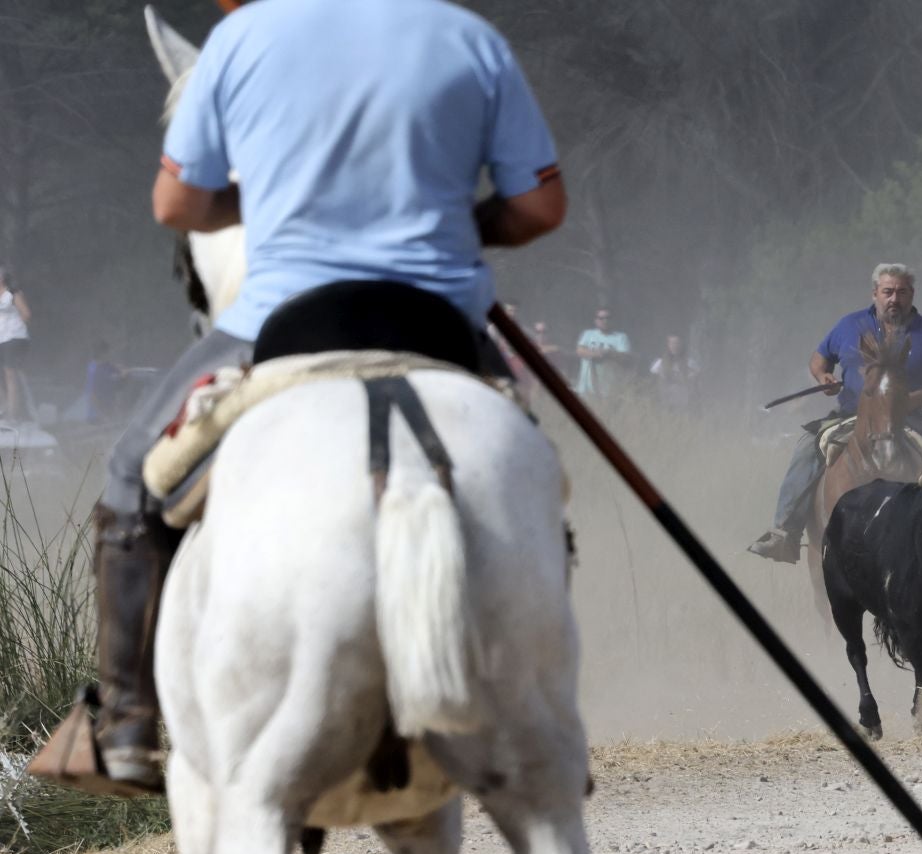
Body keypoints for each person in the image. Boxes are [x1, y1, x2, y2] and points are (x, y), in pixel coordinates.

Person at [71, 0, 566, 793]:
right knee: (527, 462)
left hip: (283, 319)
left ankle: (125, 723)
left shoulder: (242, 41)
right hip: (435, 315)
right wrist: (453, 225)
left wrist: (262, 199)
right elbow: (540, 206)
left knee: (132, 473)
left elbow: (177, 207)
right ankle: (540, 709)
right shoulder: (466, 36)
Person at [747, 263, 922, 564]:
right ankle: (784, 532)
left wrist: (912, 400)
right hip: (849, 414)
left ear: (912, 294)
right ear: (875, 293)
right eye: (887, 292)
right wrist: (824, 379)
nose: (894, 299)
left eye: (901, 292)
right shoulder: (849, 325)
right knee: (806, 448)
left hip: (909, 421)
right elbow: (819, 360)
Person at [574, 307, 630, 398]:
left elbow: (625, 357)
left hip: (610, 390)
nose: (605, 321)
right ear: (596, 320)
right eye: (601, 318)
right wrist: (595, 354)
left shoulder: (621, 337)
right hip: (586, 389)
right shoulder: (588, 334)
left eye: (608, 318)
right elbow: (579, 351)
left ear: (612, 320)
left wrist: (608, 353)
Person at [0, 267, 30, 424]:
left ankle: (13, 414)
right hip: (2, 339)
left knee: (10, 374)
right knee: (3, 376)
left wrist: (15, 327)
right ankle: (4, 409)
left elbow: (26, 314)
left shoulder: (12, 294)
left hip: (15, 338)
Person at [649, 333, 699, 409]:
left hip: (684, 404)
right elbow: (653, 383)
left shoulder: (690, 363)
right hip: (664, 403)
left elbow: (695, 385)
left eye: (677, 343)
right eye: (672, 343)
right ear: (668, 345)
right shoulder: (659, 363)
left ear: (682, 345)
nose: (674, 346)